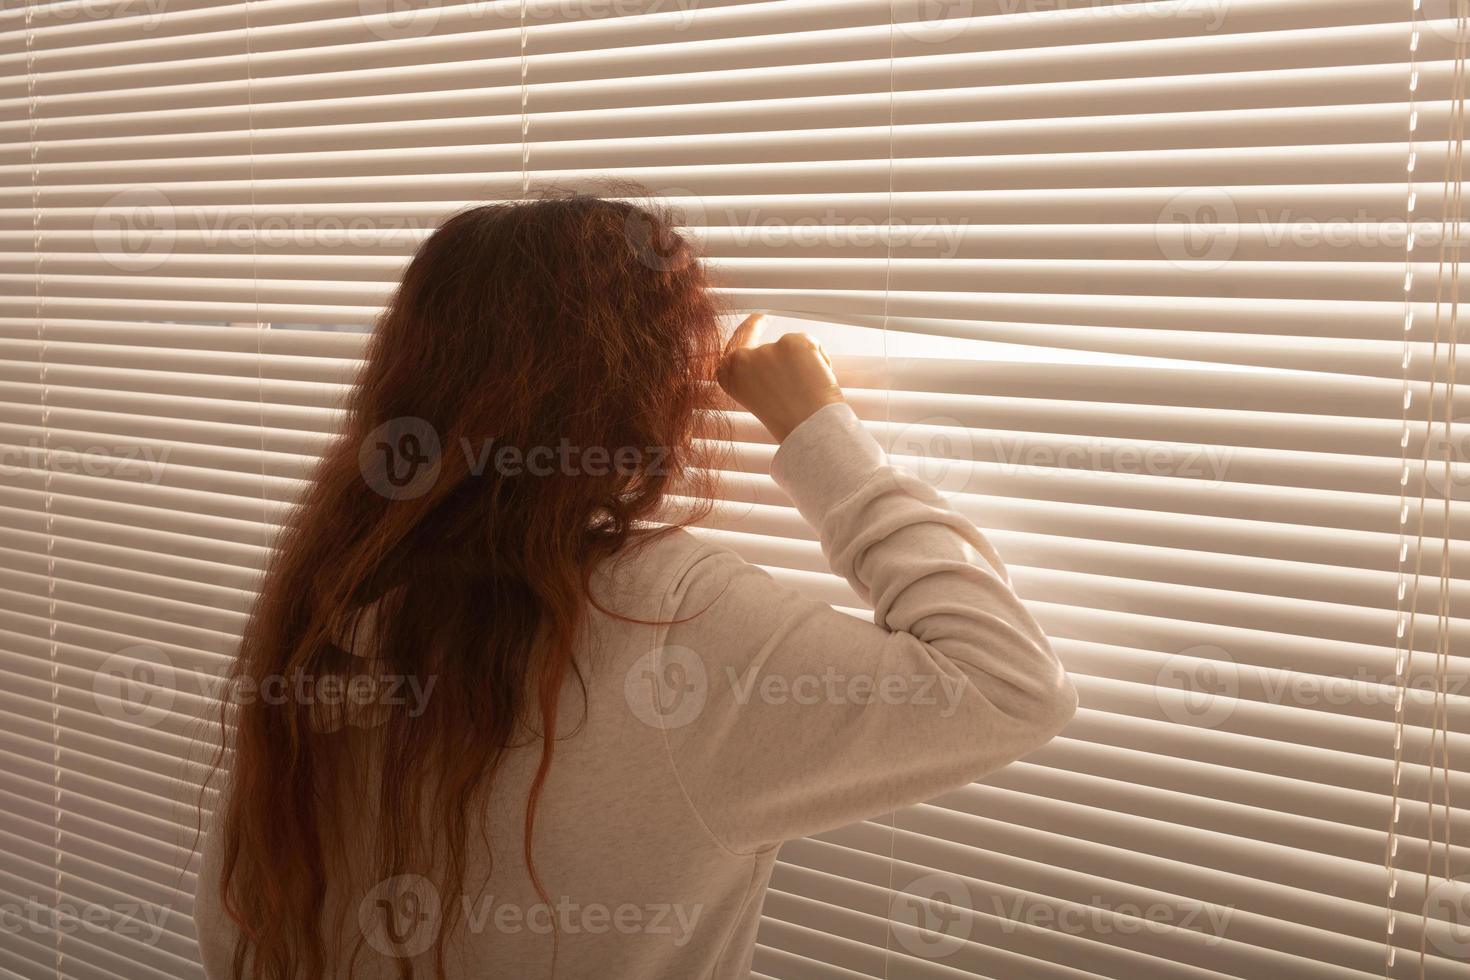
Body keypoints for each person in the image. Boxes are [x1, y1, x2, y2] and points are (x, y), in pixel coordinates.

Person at [193, 194, 1076, 980]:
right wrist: (818, 431)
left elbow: (241, 935)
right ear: (653, 387)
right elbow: (1009, 688)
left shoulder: (337, 593)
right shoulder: (671, 615)